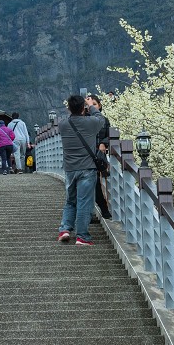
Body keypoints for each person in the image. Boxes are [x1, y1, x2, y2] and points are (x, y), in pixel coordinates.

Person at [57, 93, 106, 246]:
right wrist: (91, 105)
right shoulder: (90, 122)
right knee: (84, 202)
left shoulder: (63, 124)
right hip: (87, 168)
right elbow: (101, 119)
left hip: (70, 169)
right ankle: (82, 236)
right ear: (83, 108)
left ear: (69, 108)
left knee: (70, 201)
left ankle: (65, 229)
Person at [86, 93, 112, 221]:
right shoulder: (83, 120)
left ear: (100, 105)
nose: (92, 107)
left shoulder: (104, 120)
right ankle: (103, 210)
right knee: (93, 183)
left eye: (94, 105)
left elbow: (110, 135)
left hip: (99, 156)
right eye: (90, 105)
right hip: (87, 157)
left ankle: (100, 210)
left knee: (96, 182)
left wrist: (104, 143)